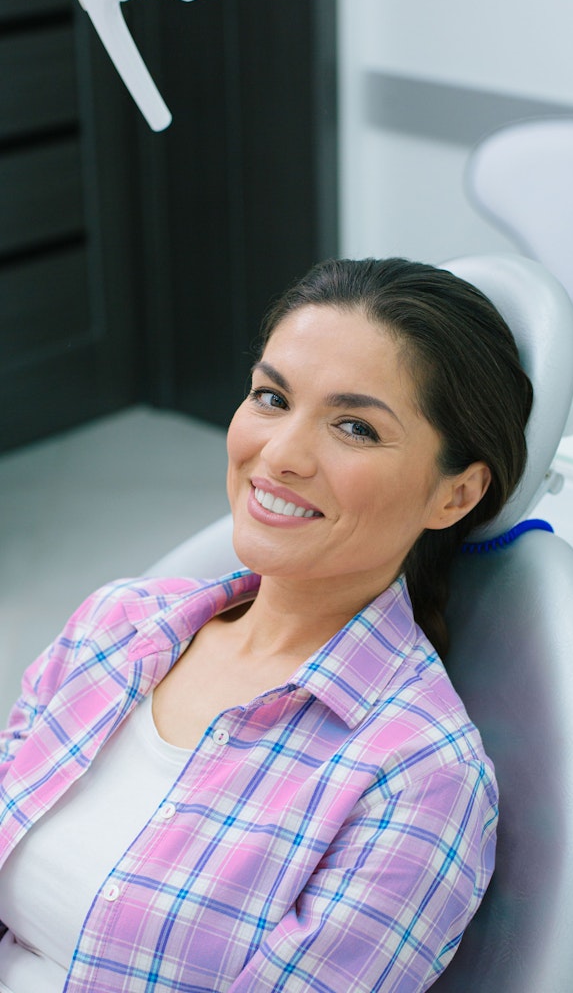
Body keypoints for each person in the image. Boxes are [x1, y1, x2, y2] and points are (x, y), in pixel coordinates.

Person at [0, 257, 533, 992]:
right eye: (271, 397)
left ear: (455, 494)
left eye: (353, 427)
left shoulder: (419, 778)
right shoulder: (115, 625)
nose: (278, 456)